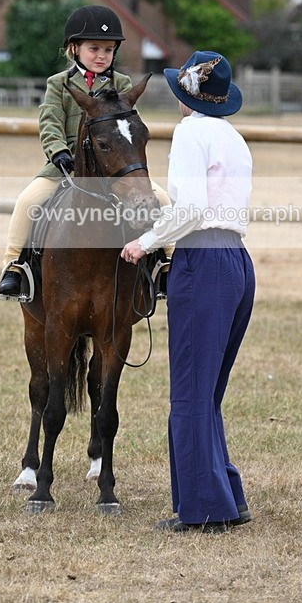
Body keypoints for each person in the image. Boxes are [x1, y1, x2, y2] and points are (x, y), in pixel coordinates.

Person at [121, 50, 256, 534]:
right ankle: (226, 495)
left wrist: (145, 241)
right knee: (207, 392)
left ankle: (203, 508)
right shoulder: (233, 137)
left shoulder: (190, 133)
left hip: (202, 263)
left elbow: (192, 208)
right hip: (238, 262)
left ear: (185, 96)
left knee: (190, 395)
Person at [0, 4, 134, 297]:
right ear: (74, 48)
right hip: (65, 165)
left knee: (157, 198)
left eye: (109, 50)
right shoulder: (57, 84)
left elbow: (126, 130)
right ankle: (13, 266)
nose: (102, 56)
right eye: (94, 48)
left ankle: (163, 263)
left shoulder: (122, 85)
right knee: (26, 201)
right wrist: (57, 150)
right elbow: (49, 121)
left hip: (110, 168)